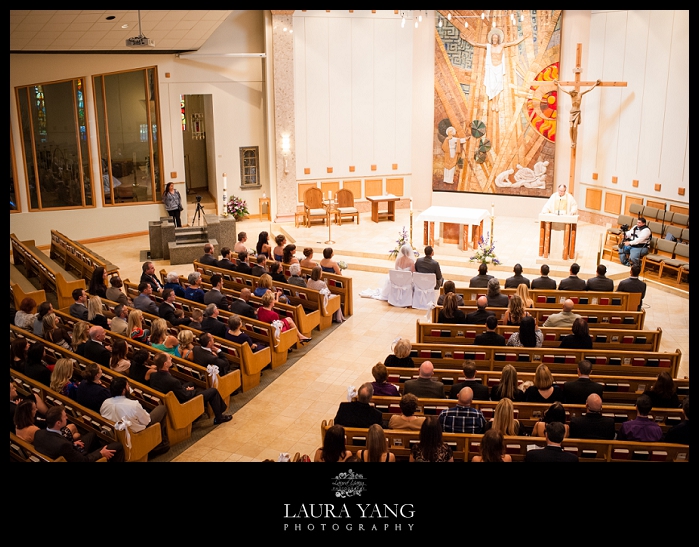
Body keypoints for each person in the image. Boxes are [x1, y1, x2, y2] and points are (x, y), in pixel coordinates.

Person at [150, 353, 232, 424]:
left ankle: (201, 410)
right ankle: (219, 417)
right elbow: (185, 396)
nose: (171, 358)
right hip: (181, 404)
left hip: (171, 397)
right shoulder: (172, 381)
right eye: (169, 358)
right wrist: (191, 391)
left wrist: (185, 389)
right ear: (165, 364)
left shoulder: (153, 375)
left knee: (192, 383)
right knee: (213, 391)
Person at [100, 376, 170, 456]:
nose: (129, 387)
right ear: (123, 391)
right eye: (127, 386)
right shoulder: (133, 405)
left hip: (117, 434)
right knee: (161, 408)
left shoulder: (105, 403)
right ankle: (160, 445)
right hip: (136, 434)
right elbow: (147, 421)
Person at [465, 27, 527, 112]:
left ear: (498, 39)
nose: (494, 39)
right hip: (491, 67)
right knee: (492, 85)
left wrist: (524, 37)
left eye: (496, 38)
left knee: (498, 85)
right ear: (491, 39)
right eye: (493, 38)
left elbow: (514, 42)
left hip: (499, 68)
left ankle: (496, 103)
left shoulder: (502, 45)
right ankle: (493, 103)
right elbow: (476, 44)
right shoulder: (489, 46)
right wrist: (467, 39)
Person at [33, 405, 124, 462]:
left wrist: (72, 444)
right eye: (65, 417)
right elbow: (84, 460)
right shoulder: (63, 445)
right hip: (80, 459)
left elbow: (54, 444)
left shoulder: (38, 433)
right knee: (118, 446)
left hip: (69, 452)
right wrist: (101, 454)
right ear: (58, 423)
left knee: (92, 435)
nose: (67, 418)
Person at [558, 79, 601, 146]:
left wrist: (595, 84)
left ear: (574, 92)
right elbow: (563, 90)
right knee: (571, 126)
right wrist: (558, 84)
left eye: (572, 93)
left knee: (575, 127)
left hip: (577, 112)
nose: (572, 94)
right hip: (572, 112)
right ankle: (571, 141)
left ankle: (574, 142)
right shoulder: (571, 95)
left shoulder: (580, 94)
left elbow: (589, 90)